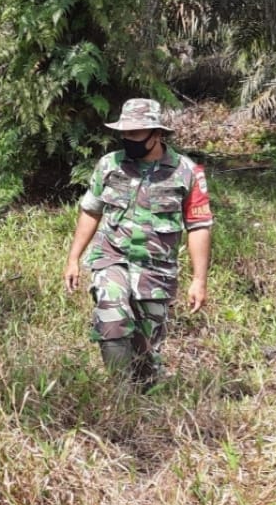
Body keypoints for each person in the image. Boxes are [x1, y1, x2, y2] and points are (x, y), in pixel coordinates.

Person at [64, 98, 212, 389]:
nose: (129, 139)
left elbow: (199, 226)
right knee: (112, 318)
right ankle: (119, 396)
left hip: (156, 271)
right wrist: (73, 258)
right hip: (112, 257)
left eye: (136, 133)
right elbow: (91, 210)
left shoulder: (186, 172)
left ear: (156, 134)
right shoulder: (109, 165)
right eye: (125, 133)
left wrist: (199, 280)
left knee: (146, 352)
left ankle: (144, 392)